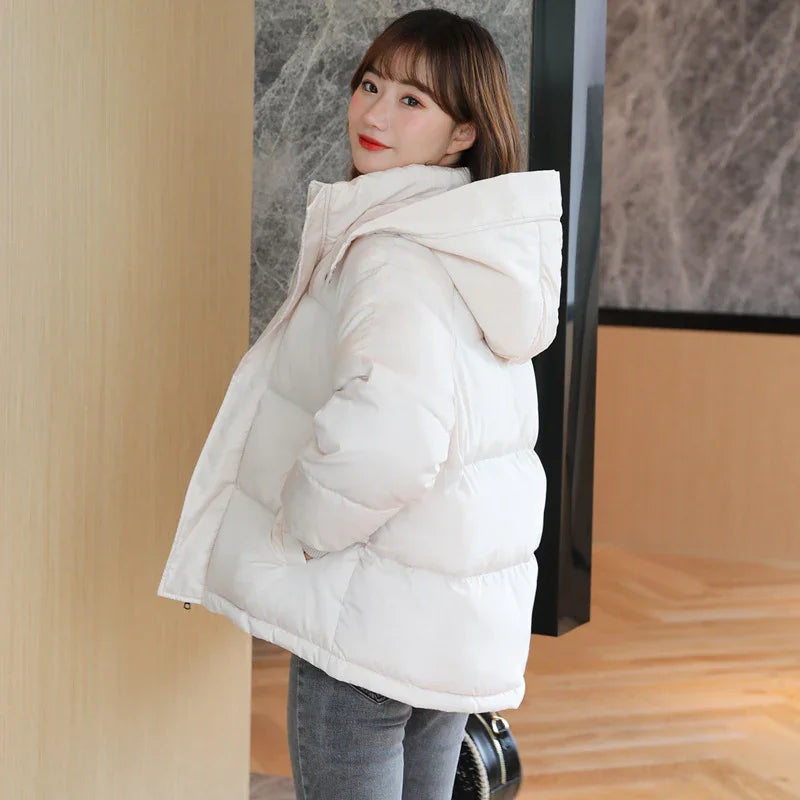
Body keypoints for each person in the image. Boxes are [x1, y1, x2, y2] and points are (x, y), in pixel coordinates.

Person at [157, 7, 562, 799]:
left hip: (369, 610)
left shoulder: (393, 256)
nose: (374, 113)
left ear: (462, 134)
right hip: (443, 621)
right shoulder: (472, 247)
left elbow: (393, 440)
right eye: (370, 84)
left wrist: (304, 528)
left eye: (413, 101)